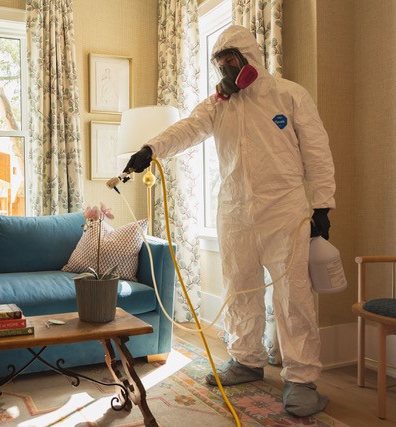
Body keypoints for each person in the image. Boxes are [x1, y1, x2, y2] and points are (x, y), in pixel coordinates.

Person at [123, 25, 335, 418]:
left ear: (250, 58)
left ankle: (302, 378)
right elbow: (186, 129)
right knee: (240, 288)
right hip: (235, 211)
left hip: (285, 210)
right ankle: (247, 359)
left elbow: (317, 150)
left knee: (293, 295)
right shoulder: (218, 105)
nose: (226, 72)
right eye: (220, 64)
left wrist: (322, 205)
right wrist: (151, 149)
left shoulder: (290, 95)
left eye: (232, 62)